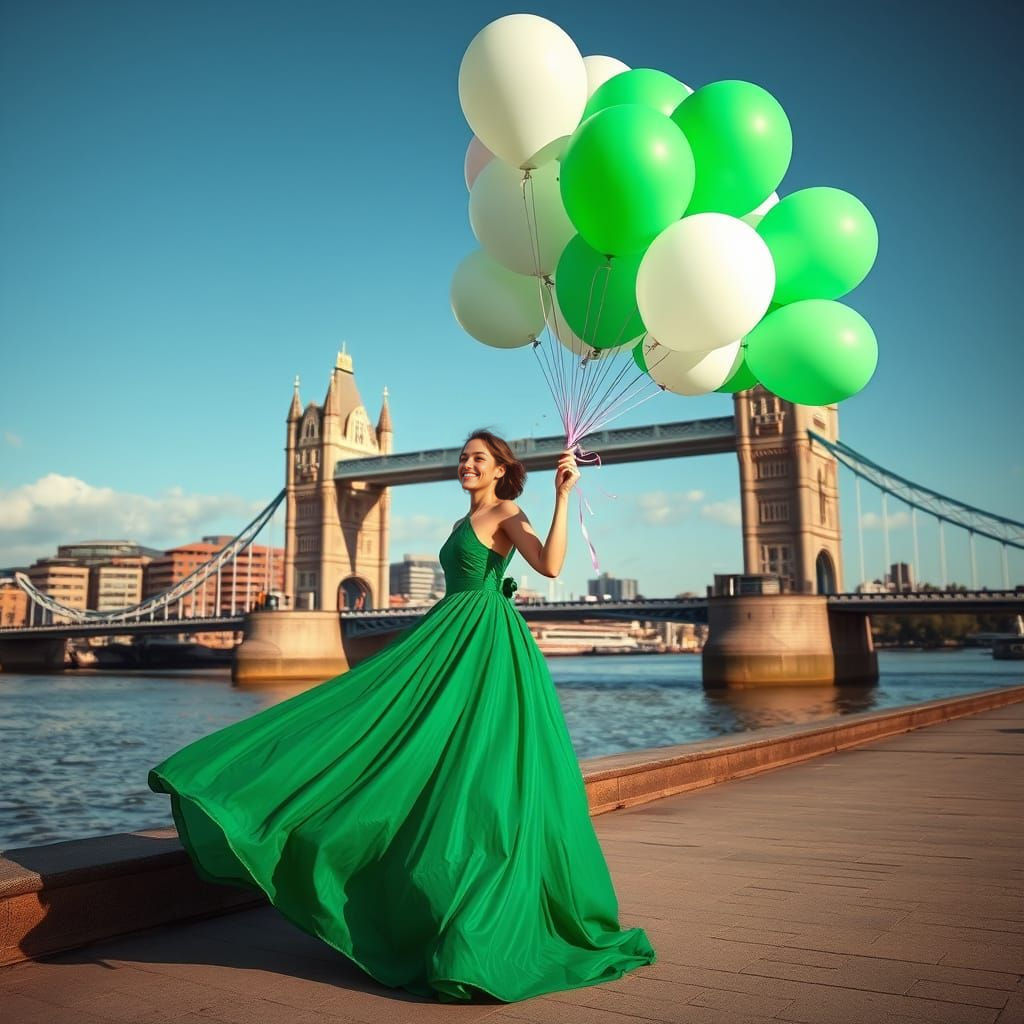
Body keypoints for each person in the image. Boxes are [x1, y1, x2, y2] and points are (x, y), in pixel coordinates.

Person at [148, 429, 656, 1003]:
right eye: (463, 457)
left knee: (480, 767)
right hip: (449, 636)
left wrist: (563, 496)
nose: (466, 464)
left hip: (486, 648)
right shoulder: (462, 521)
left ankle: (475, 909)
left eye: (478, 459)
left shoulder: (507, 512)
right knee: (385, 727)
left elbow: (550, 565)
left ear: (500, 470)